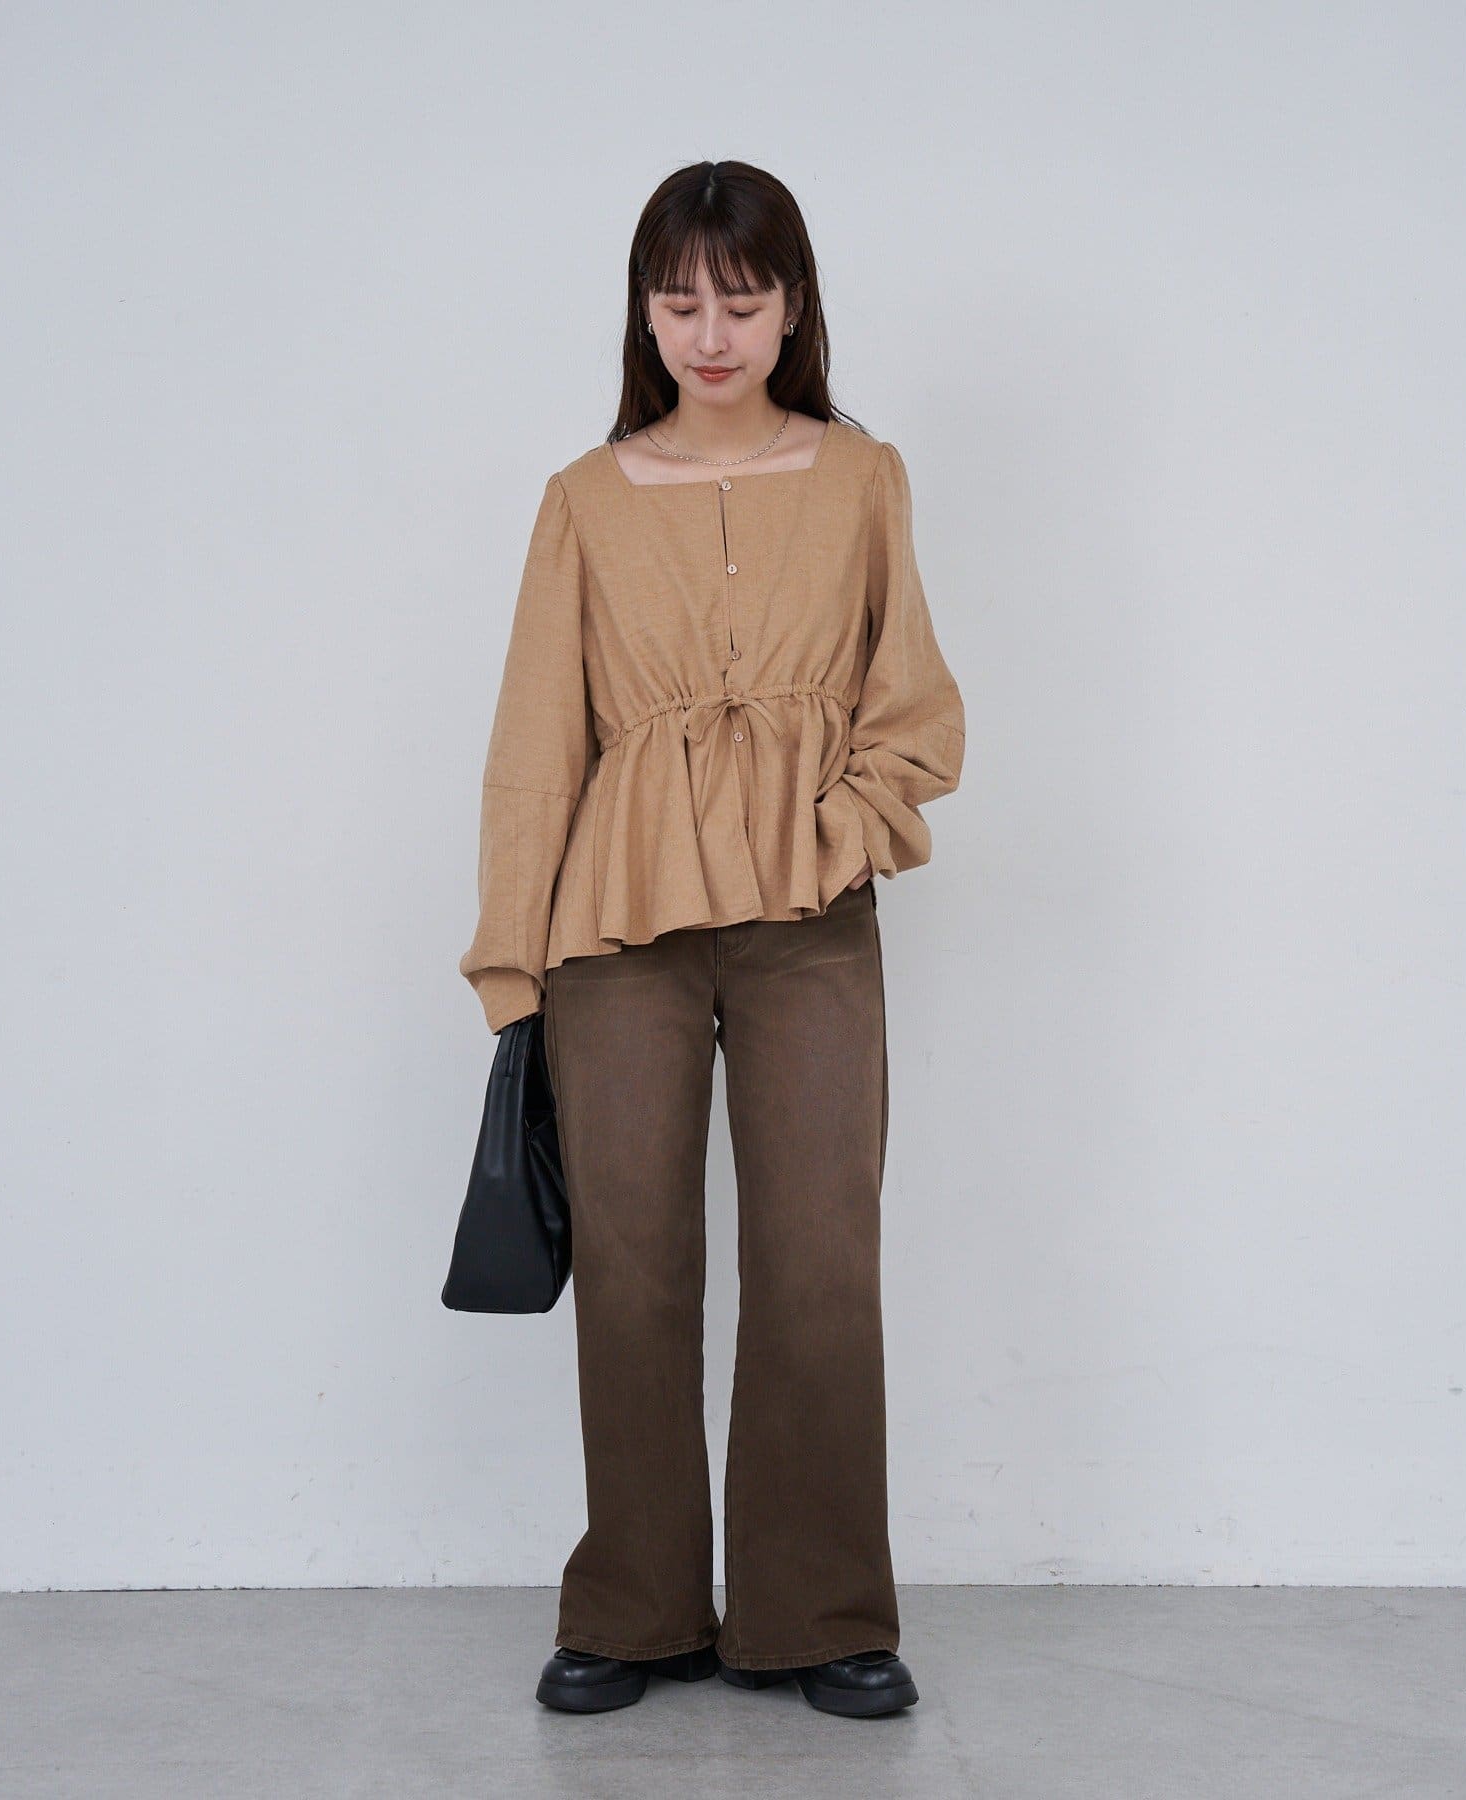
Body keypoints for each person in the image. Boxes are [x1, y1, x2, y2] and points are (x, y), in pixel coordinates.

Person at [458, 159, 966, 1718]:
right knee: (633, 1266)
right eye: (678, 302)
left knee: (821, 1261)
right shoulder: (585, 498)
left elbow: (912, 702)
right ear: (644, 314)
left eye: (740, 301)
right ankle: (637, 1608)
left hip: (811, 919)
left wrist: (844, 830)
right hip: (618, 923)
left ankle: (818, 1614)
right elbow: (536, 739)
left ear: (792, 306)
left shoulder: (863, 476)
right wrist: (512, 958)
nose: (711, 333)